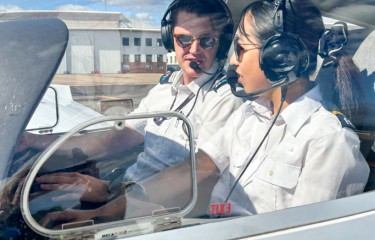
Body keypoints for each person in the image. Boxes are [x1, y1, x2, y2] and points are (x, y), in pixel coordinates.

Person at [39, 0, 370, 227]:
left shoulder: (329, 142)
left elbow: (306, 231)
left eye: (240, 49)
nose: (233, 61)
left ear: (280, 59)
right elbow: (195, 170)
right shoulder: (251, 116)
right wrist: (104, 215)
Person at [30, 0, 240, 214]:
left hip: (156, 212)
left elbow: (200, 177)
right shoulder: (164, 89)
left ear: (220, 44)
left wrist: (108, 197)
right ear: (170, 39)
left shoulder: (224, 98)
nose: (194, 50)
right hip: (124, 195)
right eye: (184, 39)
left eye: (206, 41)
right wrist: (33, 141)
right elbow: (110, 142)